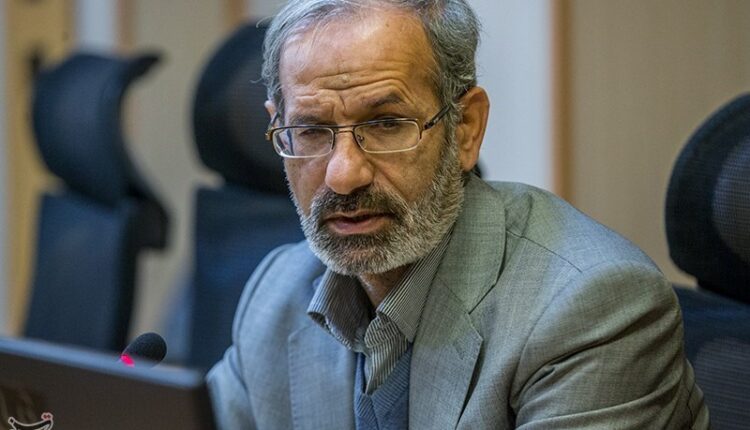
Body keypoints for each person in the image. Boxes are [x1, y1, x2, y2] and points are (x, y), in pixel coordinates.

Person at [207, 0, 709, 428]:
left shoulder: (589, 307)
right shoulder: (275, 294)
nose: (343, 175)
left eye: (386, 124)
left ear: (466, 127)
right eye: (312, 131)